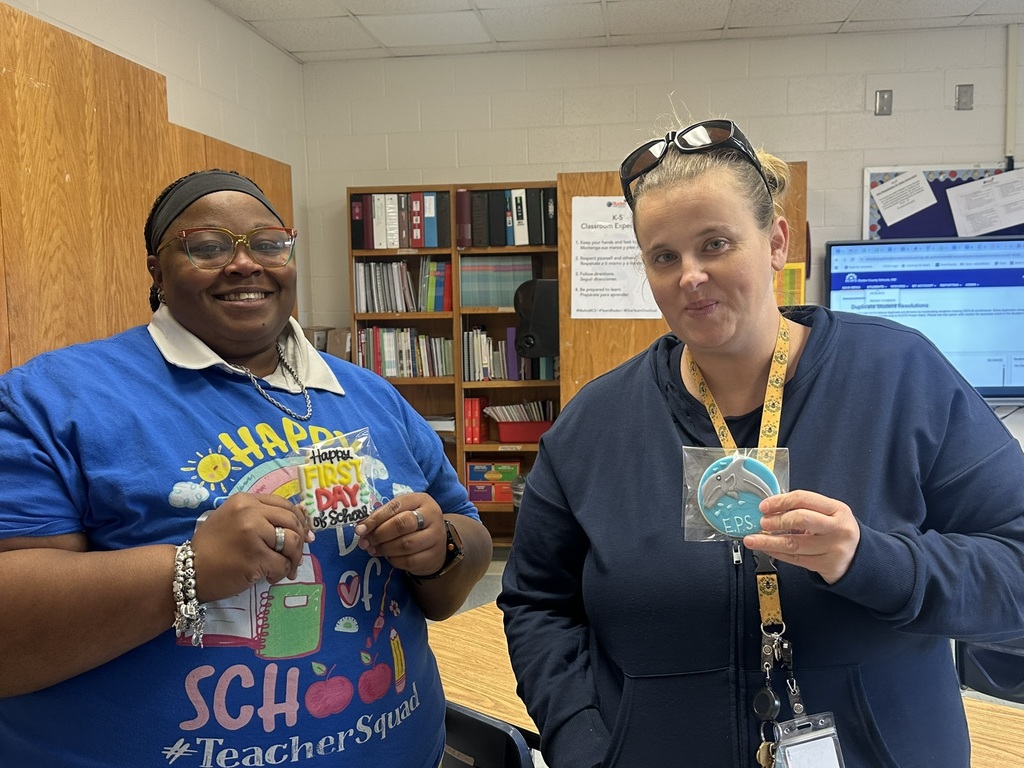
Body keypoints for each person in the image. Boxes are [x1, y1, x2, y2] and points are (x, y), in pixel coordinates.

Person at [498, 119, 1024, 767]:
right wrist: (579, 739)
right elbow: (536, 603)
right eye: (665, 256)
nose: (690, 275)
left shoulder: (902, 378)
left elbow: (1016, 571)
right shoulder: (593, 425)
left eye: (715, 244)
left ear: (775, 241)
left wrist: (872, 559)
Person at [0, 169, 492, 766]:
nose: (244, 264)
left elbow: (467, 543)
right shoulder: (53, 399)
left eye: (268, 244)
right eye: (207, 247)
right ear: (156, 271)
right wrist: (190, 568)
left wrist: (439, 547)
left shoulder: (368, 394)